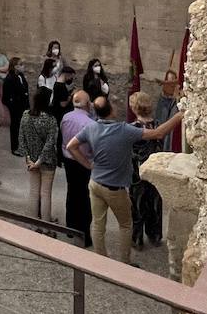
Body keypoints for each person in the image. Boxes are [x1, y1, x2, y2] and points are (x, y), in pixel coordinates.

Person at [65, 94, 182, 264]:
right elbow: (158, 133)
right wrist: (179, 115)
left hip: (95, 183)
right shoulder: (123, 130)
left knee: (98, 224)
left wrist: (88, 165)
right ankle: (124, 263)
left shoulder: (91, 128)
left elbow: (71, 146)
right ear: (111, 110)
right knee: (126, 225)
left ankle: (100, 260)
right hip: (115, 188)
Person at [58, 89, 96, 247]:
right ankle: (85, 234)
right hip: (84, 162)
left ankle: (70, 225)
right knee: (85, 197)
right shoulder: (90, 124)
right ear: (87, 104)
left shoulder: (66, 117)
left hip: (69, 160)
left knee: (72, 191)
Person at [128, 92, 165, 250]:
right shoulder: (158, 124)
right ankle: (155, 235)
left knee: (137, 204)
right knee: (154, 202)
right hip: (156, 168)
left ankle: (137, 239)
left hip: (138, 171)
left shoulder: (133, 128)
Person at [21, 88, 59, 223]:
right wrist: (40, 160)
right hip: (47, 161)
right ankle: (46, 224)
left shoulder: (25, 115)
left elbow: (22, 139)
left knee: (33, 193)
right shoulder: (50, 119)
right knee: (45, 194)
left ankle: (33, 224)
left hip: (31, 160)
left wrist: (29, 159)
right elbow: (50, 143)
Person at [2, 56, 31, 156]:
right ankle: (15, 147)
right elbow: (6, 97)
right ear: (15, 66)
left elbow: (24, 90)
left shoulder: (21, 76)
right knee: (15, 127)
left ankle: (22, 146)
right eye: (20, 65)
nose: (23, 67)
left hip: (23, 106)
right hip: (16, 108)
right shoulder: (9, 78)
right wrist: (13, 106)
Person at [155, 69, 185, 152]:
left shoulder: (177, 102)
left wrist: (164, 82)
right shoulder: (163, 98)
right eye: (168, 81)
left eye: (171, 82)